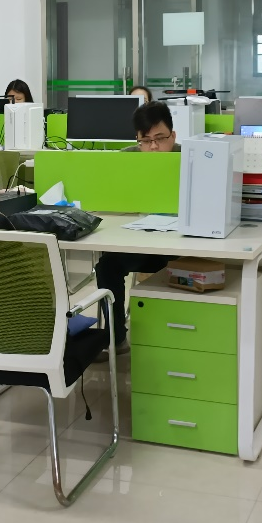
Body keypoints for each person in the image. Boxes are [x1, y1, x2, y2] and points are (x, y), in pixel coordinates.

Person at [95, 101, 180, 356]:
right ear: (138, 140)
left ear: (173, 136)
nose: (153, 147)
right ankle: (117, 338)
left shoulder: (190, 157)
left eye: (160, 138)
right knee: (107, 266)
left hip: (181, 244)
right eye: (146, 140)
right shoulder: (127, 159)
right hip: (141, 241)